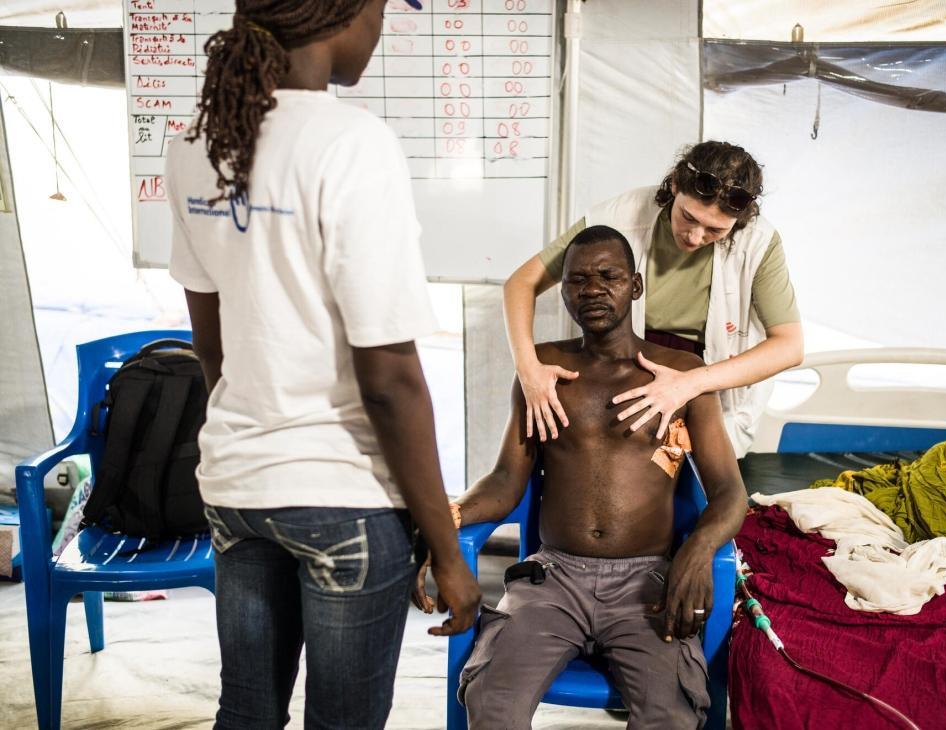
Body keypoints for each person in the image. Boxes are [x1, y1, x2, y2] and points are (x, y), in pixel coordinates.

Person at [163, 1, 480, 728]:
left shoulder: (195, 140)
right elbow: (390, 380)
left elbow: (210, 343)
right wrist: (447, 550)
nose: (380, 27)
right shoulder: (352, 141)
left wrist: (255, 436)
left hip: (236, 489)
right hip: (344, 497)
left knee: (245, 710)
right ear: (343, 11)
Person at [415, 226, 749, 729]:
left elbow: (729, 493)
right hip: (553, 579)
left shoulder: (680, 375)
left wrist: (698, 550)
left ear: (635, 286)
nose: (592, 290)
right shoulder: (544, 368)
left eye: (607, 276)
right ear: (563, 291)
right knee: (491, 702)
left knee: (672, 715)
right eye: (577, 281)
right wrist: (451, 515)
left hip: (646, 583)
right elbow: (508, 479)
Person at [504, 141, 804, 454]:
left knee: (702, 483)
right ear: (675, 183)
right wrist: (528, 371)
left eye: (715, 230)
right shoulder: (619, 216)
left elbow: (789, 346)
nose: (695, 236)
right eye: (688, 216)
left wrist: (690, 383)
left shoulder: (759, 242)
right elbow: (521, 283)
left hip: (706, 379)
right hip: (627, 366)